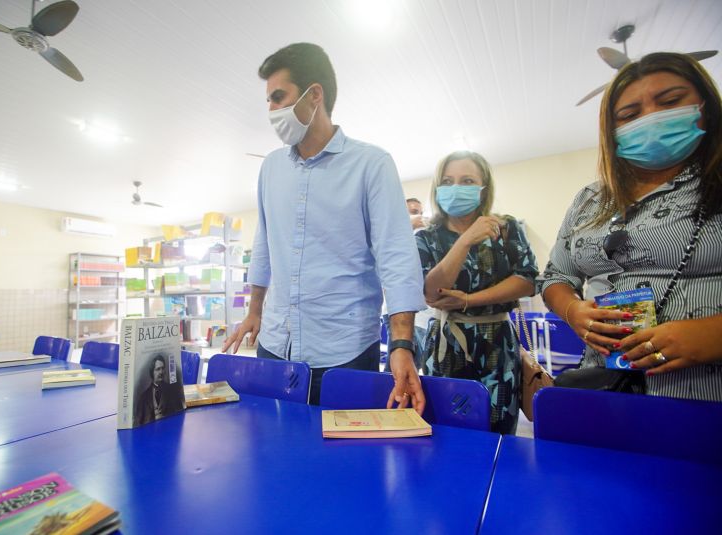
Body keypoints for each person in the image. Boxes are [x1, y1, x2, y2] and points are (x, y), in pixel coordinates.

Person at [222, 43, 427, 410]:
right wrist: (254, 311)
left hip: (343, 349)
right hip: (274, 343)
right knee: (273, 454)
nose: (271, 110)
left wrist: (401, 345)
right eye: (268, 101)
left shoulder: (371, 164)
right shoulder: (271, 168)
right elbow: (265, 244)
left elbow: (397, 257)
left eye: (278, 97)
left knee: (341, 463)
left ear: (314, 94)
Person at [537, 52, 722, 401]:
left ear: (705, 106)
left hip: (704, 396)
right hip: (609, 389)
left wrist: (712, 336)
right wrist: (573, 310)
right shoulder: (590, 199)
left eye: (670, 101)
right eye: (630, 115)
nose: (651, 118)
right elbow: (555, 277)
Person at [416, 151, 538, 434]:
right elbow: (431, 292)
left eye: (467, 180)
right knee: (445, 427)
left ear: (483, 189)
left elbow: (528, 280)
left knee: (499, 427)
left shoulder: (506, 229)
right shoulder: (426, 237)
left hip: (498, 343)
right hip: (445, 343)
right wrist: (465, 240)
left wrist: (470, 299)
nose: (455, 188)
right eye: (447, 181)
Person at [134, 354, 184, 426]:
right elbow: (138, 422)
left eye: (163, 368)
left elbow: (180, 414)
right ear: (152, 372)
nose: (161, 372)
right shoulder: (143, 397)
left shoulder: (173, 391)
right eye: (158, 369)